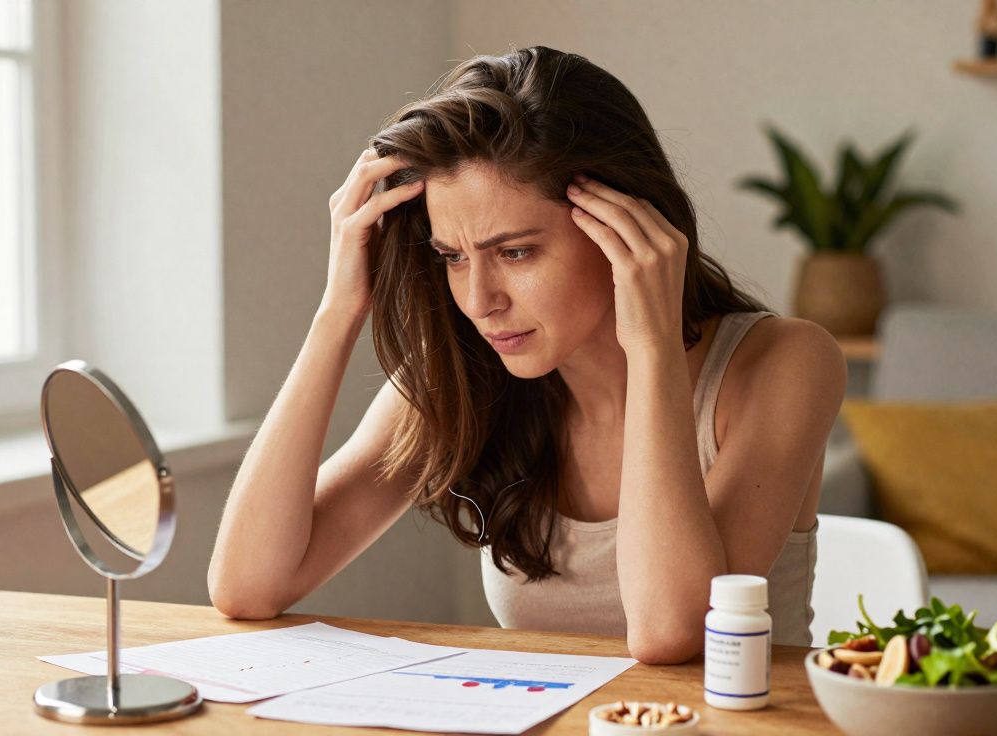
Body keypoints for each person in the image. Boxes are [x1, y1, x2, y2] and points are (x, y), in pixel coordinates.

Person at [207, 45, 846, 664]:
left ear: (626, 225)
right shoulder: (466, 372)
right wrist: (336, 314)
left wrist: (649, 347)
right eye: (452, 257)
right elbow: (248, 587)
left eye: (515, 253)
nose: (479, 300)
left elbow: (671, 632)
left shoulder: (785, 364)